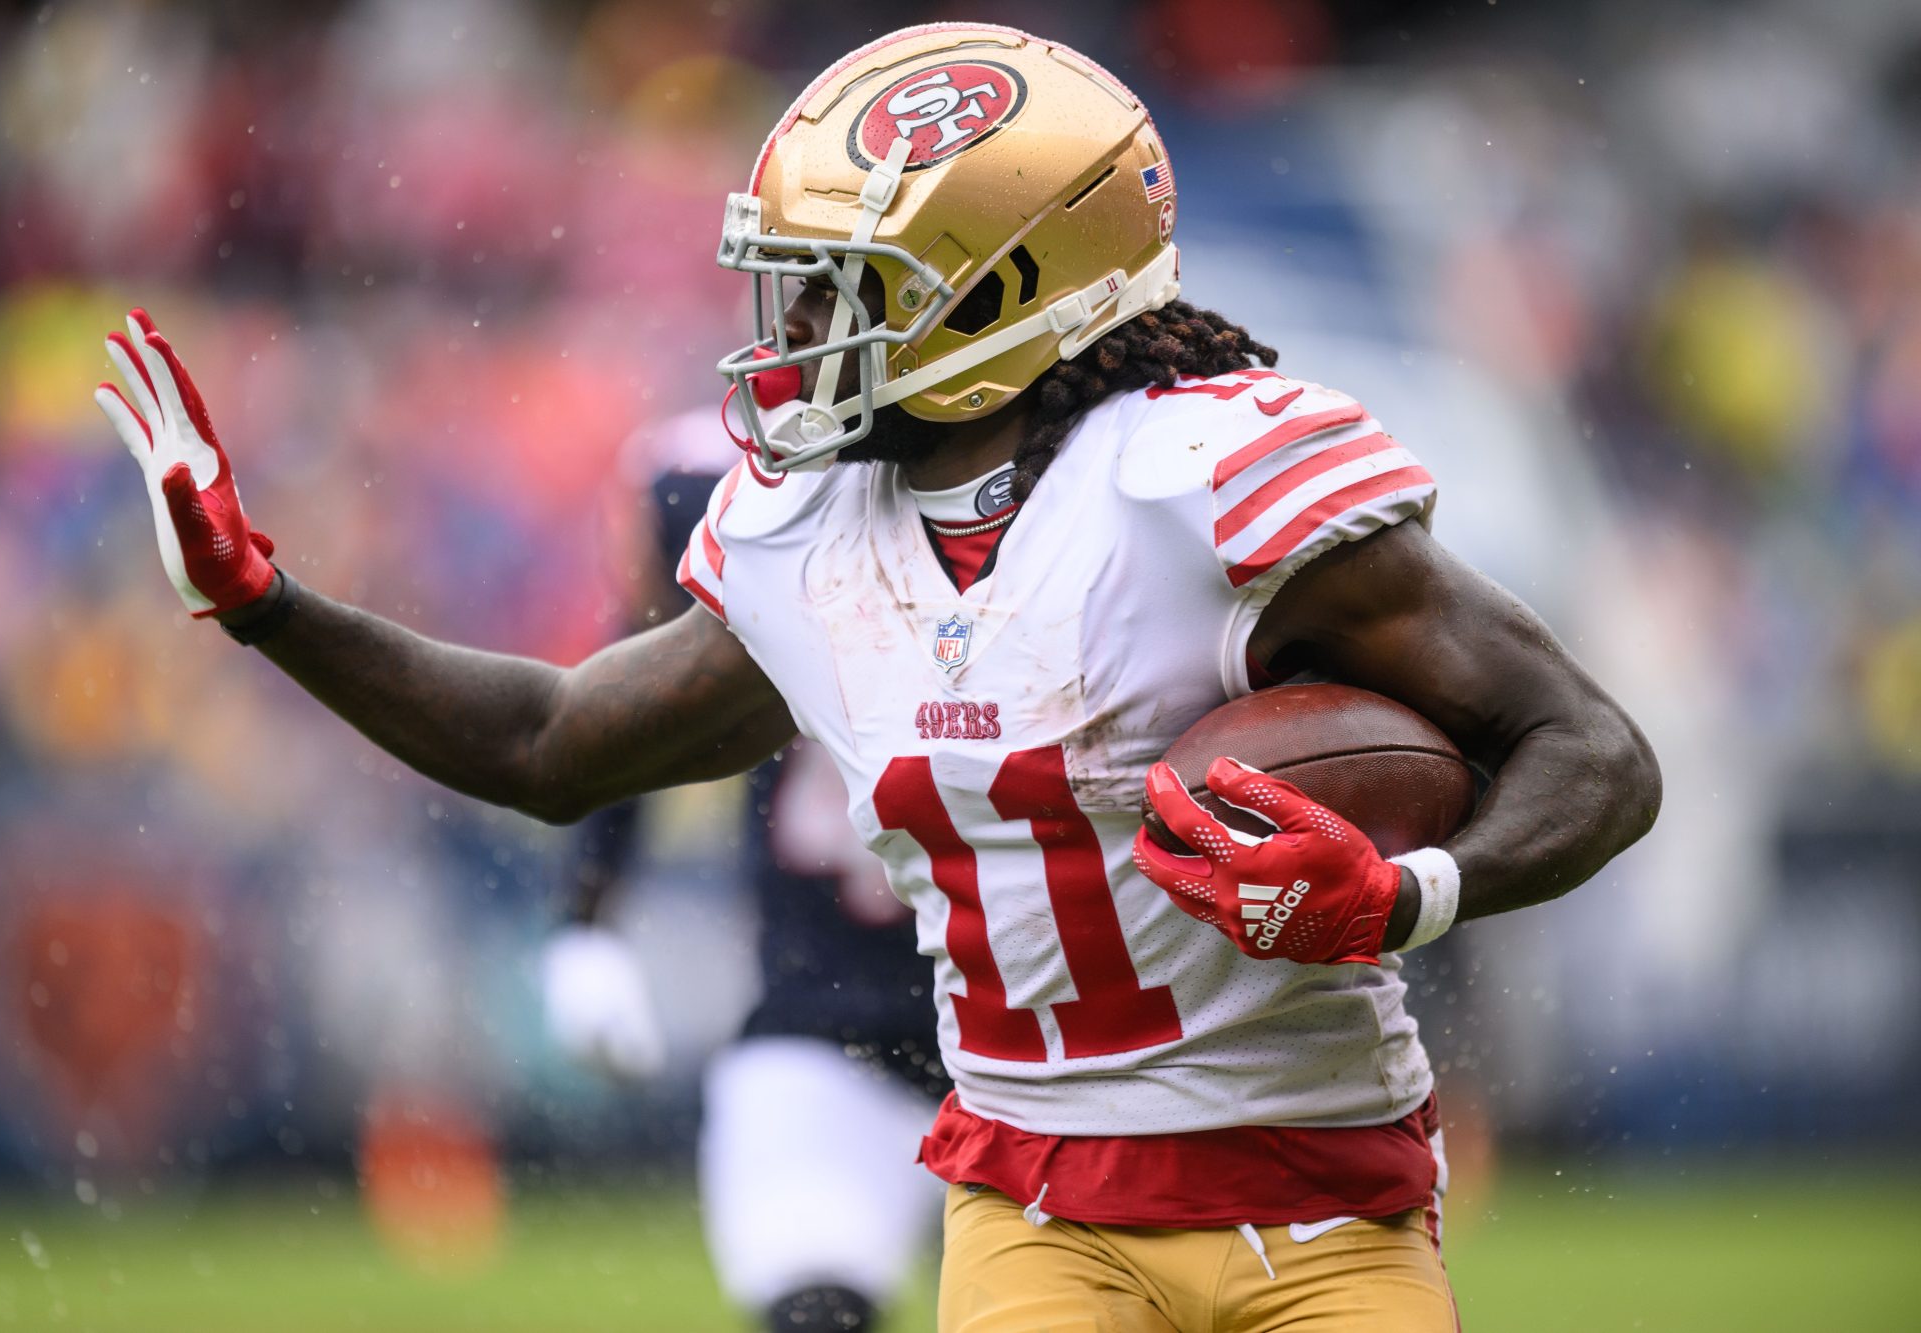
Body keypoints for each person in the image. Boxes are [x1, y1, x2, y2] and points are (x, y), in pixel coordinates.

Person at [94, 24, 1659, 1331]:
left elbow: (1593, 752)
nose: (797, 332)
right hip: (1036, 1199)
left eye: (846, 287)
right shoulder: (803, 532)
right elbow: (551, 740)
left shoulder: (1203, 480)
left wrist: (1407, 898)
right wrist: (268, 603)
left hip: (1315, 1181)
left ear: (1002, 294)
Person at [542, 406, 946, 1332]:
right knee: (813, 1307)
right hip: (844, 1013)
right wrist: (586, 917)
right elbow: (628, 704)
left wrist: (586, 918)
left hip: (1031, 1030)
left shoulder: (719, 485)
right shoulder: (727, 485)